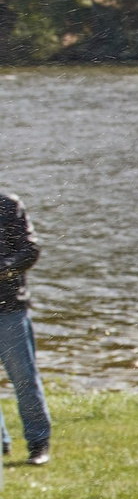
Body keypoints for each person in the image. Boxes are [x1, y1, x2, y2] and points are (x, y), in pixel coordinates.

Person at [0, 192, 52, 466]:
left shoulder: (8, 205)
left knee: (23, 378)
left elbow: (30, 251)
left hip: (9, 309)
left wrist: (3, 268)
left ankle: (38, 444)